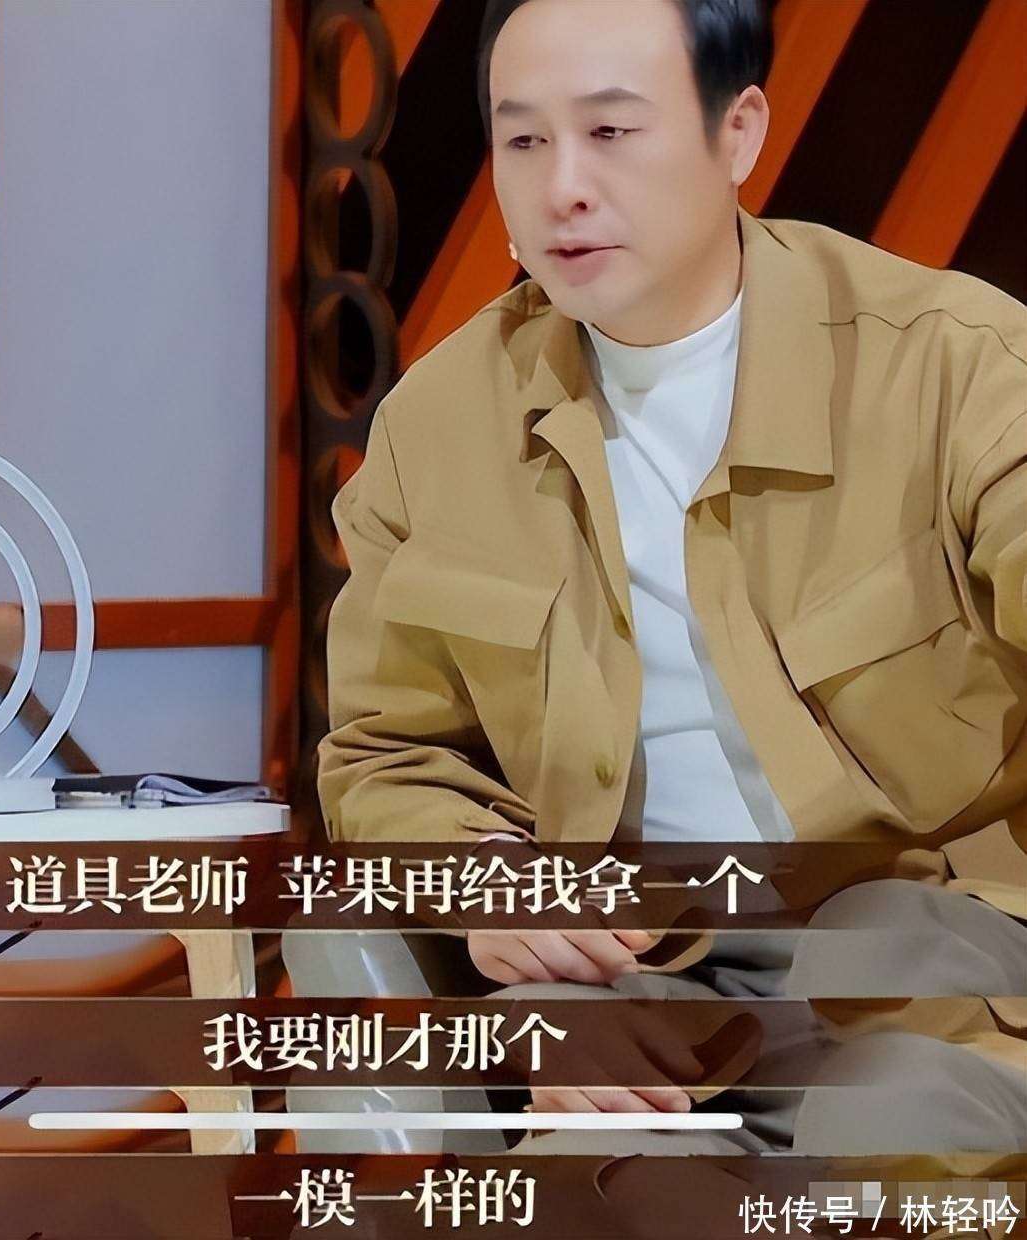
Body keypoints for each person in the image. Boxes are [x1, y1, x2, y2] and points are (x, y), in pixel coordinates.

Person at [315, 0, 1027, 1154]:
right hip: (647, 976)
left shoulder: (954, 368)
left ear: (736, 131)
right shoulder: (435, 432)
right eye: (523, 139)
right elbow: (386, 754)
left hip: (939, 960)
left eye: (611, 131)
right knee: (596, 1180)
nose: (562, 188)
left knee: (897, 1131)